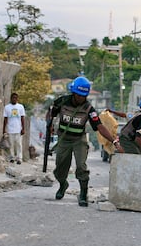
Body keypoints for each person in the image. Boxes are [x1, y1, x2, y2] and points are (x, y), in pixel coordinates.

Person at [48, 76, 124, 207]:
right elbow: (51, 112)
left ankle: (83, 193)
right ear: (74, 93)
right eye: (78, 95)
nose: (81, 98)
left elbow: (100, 127)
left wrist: (114, 141)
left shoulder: (89, 109)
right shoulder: (62, 101)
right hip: (64, 139)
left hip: (79, 140)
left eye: (83, 96)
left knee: (81, 167)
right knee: (60, 169)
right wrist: (49, 124)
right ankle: (62, 184)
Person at [3, 92, 25, 164]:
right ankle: (12, 157)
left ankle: (19, 158)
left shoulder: (20, 107)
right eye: (13, 98)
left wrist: (23, 128)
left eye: (16, 98)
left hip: (18, 129)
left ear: (17, 99)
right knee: (11, 144)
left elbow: (22, 118)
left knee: (19, 144)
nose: (14, 99)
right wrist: (4, 129)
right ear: (11, 98)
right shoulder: (7, 107)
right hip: (10, 129)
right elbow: (5, 119)